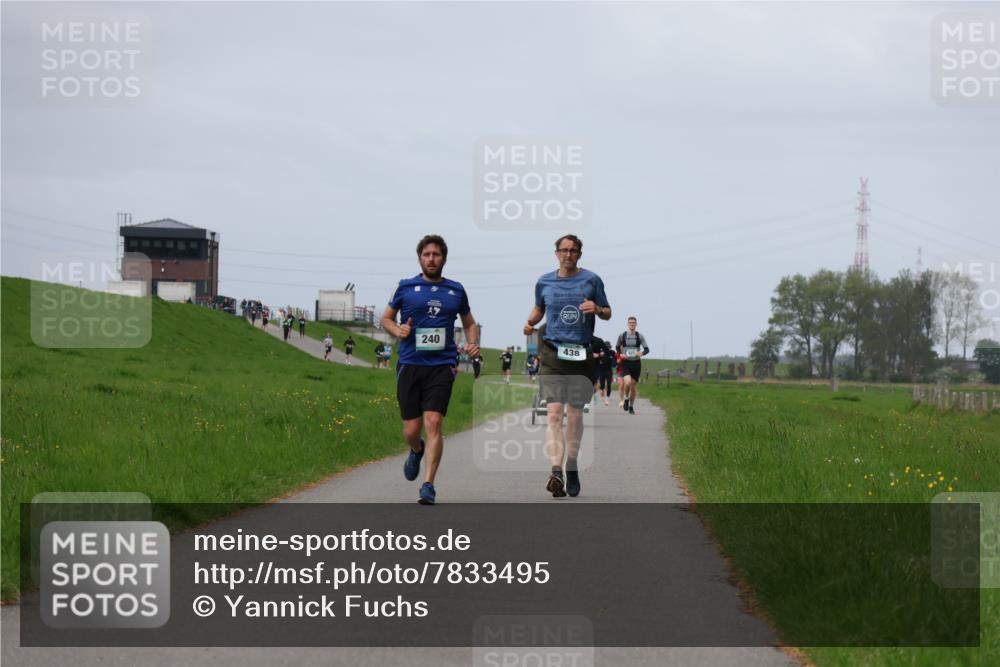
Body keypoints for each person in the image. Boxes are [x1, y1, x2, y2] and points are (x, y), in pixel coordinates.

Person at [382, 234, 479, 505]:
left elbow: (470, 322)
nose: (431, 259)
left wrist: (472, 343)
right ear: (420, 258)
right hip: (411, 364)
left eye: (436, 255)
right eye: (427, 255)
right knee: (411, 430)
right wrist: (398, 330)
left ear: (444, 258)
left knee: (434, 421)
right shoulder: (405, 286)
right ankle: (416, 449)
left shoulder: (456, 290)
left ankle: (428, 485)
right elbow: (386, 318)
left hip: (442, 365)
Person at [523, 234, 611, 499]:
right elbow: (540, 308)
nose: (568, 254)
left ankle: (571, 465)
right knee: (553, 414)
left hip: (580, 355)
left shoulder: (592, 280)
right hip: (552, 352)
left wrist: (596, 308)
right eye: (564, 250)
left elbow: (608, 312)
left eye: (573, 251)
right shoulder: (544, 281)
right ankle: (556, 471)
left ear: (579, 254)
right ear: (556, 253)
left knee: (574, 415)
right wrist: (530, 322)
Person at [616, 317, 650, 415]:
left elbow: (647, 349)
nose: (632, 324)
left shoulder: (640, 336)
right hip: (626, 363)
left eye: (633, 323)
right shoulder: (622, 335)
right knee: (627, 383)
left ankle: (631, 406)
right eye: (630, 322)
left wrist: (642, 353)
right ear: (627, 324)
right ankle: (626, 398)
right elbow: (617, 347)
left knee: (633, 386)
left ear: (636, 324)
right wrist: (620, 354)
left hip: (636, 364)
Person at [594, 338, 614, 406]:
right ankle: (602, 391)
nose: (607, 348)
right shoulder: (600, 353)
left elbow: (614, 360)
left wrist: (615, 363)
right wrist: (599, 355)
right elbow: (595, 358)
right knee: (602, 386)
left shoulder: (612, 352)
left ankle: (607, 400)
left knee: (609, 385)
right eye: (606, 347)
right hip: (601, 371)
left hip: (609, 371)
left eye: (608, 347)